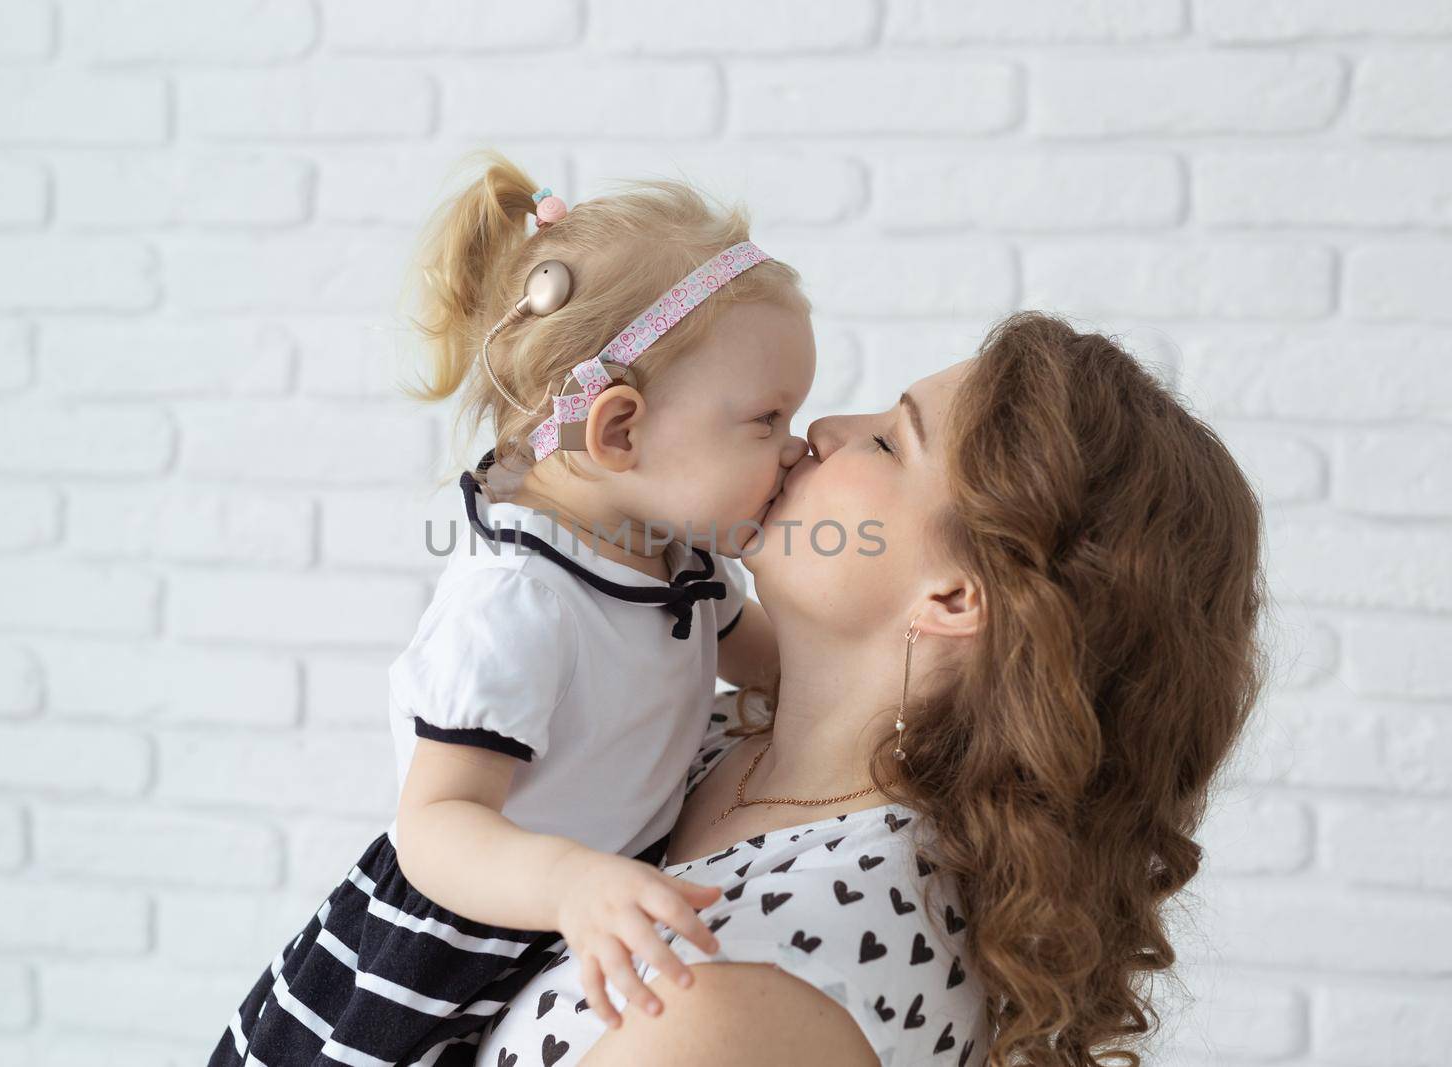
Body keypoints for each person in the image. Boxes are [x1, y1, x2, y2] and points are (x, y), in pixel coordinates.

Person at [478, 312, 1269, 1066]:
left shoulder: (744, 996)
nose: (823, 432)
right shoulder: (714, 730)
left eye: (890, 442)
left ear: (957, 597)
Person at [207, 151, 816, 1067]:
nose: (797, 445)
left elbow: (774, 662)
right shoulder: (522, 603)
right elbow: (435, 826)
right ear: (618, 430)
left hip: (577, 914)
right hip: (462, 941)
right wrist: (571, 883)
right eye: (767, 421)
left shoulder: (670, 551)